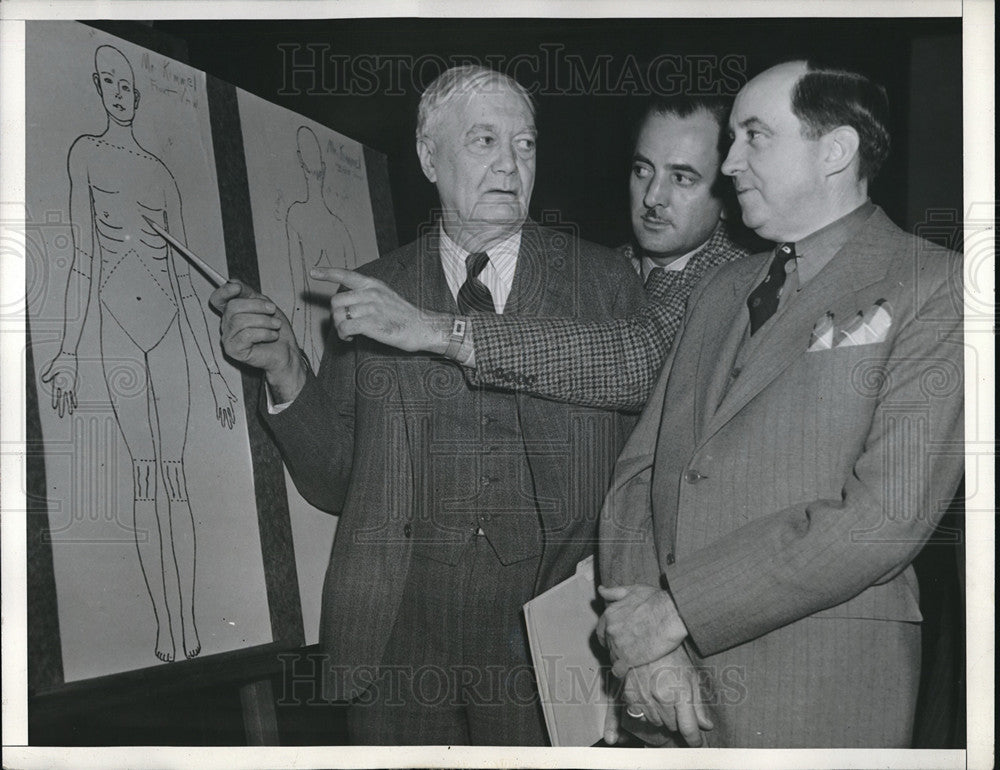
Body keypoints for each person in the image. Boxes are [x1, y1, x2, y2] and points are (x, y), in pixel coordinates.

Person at [210, 65, 646, 745]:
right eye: (484, 141)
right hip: (398, 635)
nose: (510, 163)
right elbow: (336, 484)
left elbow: (640, 475)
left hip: (550, 633)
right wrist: (286, 367)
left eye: (525, 144)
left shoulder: (604, 282)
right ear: (427, 157)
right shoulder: (375, 289)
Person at [595, 60, 964, 748]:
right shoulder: (721, 287)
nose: (729, 162)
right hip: (667, 691)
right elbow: (642, 470)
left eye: (754, 136)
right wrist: (649, 646)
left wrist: (677, 608)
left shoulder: (934, 287)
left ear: (836, 150)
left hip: (817, 691)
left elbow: (882, 521)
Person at [323, 95, 750, 411]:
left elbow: (640, 361)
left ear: (728, 193)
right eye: (643, 170)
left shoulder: (741, 276)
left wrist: (437, 331)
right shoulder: (603, 269)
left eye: (682, 178)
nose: (654, 196)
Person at [41, 44, 238, 664]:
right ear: (99, 90)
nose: (118, 92)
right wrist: (69, 352)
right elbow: (80, 256)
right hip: (117, 329)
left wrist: (215, 373)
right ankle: (164, 627)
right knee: (148, 475)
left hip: (171, 332)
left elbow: (186, 280)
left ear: (136, 92)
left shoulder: (160, 172)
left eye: (126, 83)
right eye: (108, 83)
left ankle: (188, 620)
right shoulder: (86, 155)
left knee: (176, 476)